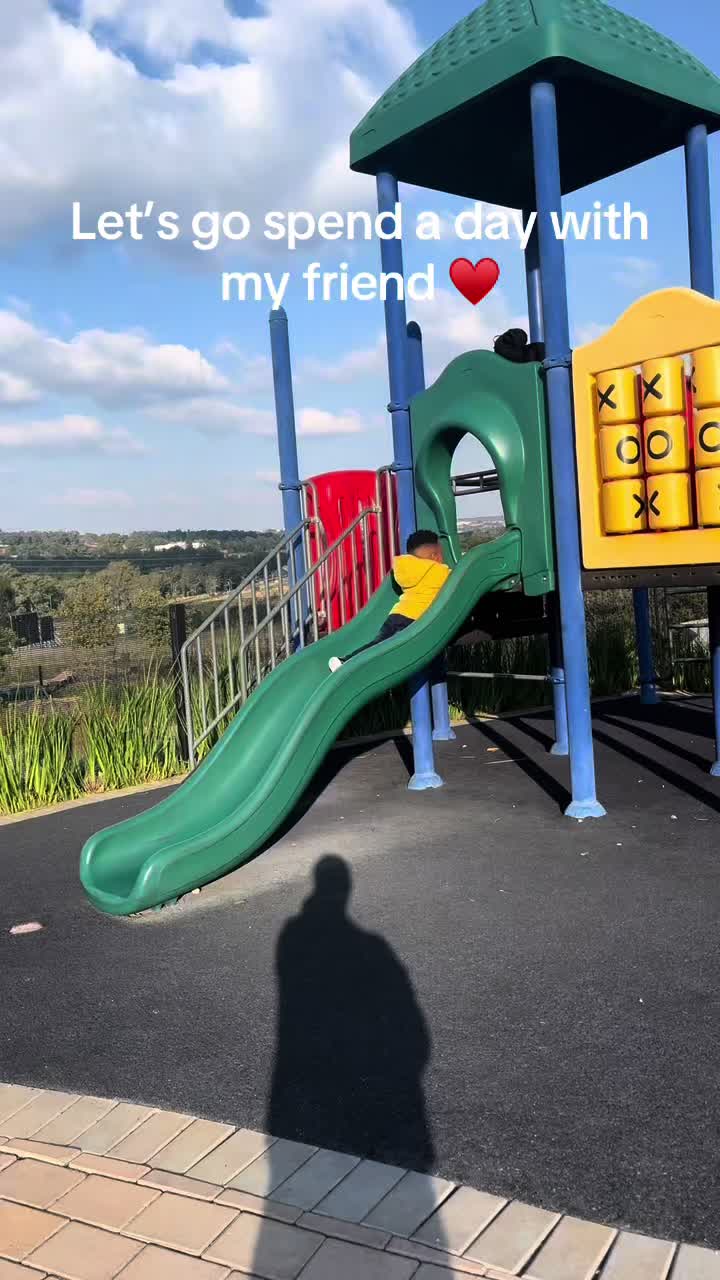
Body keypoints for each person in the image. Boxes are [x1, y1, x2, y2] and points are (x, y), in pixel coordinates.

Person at [328, 528, 451, 673]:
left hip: (397, 614)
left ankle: (347, 661)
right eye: (441, 554)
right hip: (413, 619)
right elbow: (456, 583)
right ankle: (346, 662)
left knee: (379, 644)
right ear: (434, 556)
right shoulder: (439, 571)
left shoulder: (406, 568)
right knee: (382, 649)